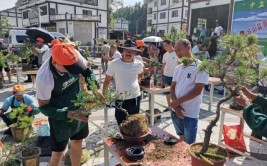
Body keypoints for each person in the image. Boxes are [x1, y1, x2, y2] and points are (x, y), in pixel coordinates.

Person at [36, 41, 102, 166]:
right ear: (55, 63)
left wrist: (95, 88)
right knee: (58, 153)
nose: (73, 70)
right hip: (59, 116)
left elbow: (87, 72)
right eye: (69, 68)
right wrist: (70, 114)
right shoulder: (44, 78)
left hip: (79, 106)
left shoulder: (73, 55)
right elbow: (44, 107)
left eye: (74, 66)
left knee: (77, 142)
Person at [169, 39, 209, 144]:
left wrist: (176, 103)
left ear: (188, 47)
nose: (178, 54)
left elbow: (197, 91)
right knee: (181, 138)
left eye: (179, 50)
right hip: (176, 111)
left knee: (189, 144)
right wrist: (176, 107)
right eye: (176, 51)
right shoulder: (178, 68)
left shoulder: (200, 66)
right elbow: (172, 87)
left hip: (190, 113)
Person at [103, 41, 143, 125]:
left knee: (134, 122)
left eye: (131, 51)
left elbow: (140, 73)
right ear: (123, 51)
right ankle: (123, 137)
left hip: (134, 97)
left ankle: (132, 138)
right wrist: (104, 96)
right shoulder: (114, 63)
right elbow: (107, 81)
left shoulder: (138, 64)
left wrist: (137, 82)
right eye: (126, 50)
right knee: (121, 121)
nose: (128, 53)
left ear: (135, 52)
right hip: (120, 98)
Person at [161, 40, 179, 112]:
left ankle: (175, 106)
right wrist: (162, 77)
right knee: (167, 93)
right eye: (164, 46)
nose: (164, 47)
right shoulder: (165, 55)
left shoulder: (177, 53)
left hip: (174, 77)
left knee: (174, 93)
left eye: (165, 45)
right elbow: (163, 66)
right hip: (166, 76)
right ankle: (169, 106)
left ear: (170, 44)